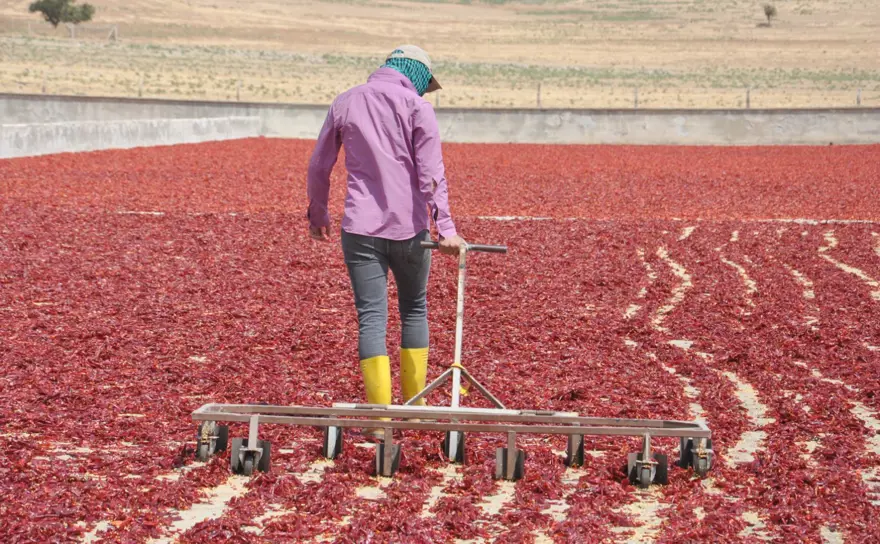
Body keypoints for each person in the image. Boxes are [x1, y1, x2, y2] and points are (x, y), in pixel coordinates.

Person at [306, 45, 466, 440]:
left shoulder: (346, 101)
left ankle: (379, 420)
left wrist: (318, 212)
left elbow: (319, 164)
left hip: (359, 229)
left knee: (372, 318)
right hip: (410, 230)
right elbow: (431, 174)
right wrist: (445, 228)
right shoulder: (417, 108)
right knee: (414, 309)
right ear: (414, 73)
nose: (425, 92)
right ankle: (415, 412)